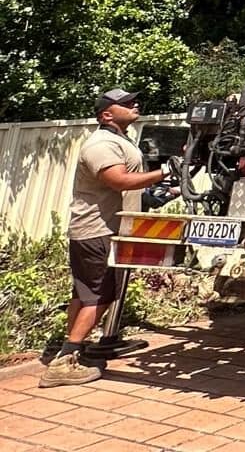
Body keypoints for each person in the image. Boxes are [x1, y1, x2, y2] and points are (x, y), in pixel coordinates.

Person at [39, 88, 168, 388]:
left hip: (101, 229)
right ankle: (64, 362)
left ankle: (72, 349)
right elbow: (118, 180)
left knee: (84, 294)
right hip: (98, 231)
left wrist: (158, 193)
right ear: (106, 114)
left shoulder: (120, 140)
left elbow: (125, 188)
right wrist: (162, 173)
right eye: (125, 103)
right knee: (99, 295)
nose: (134, 104)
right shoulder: (101, 144)